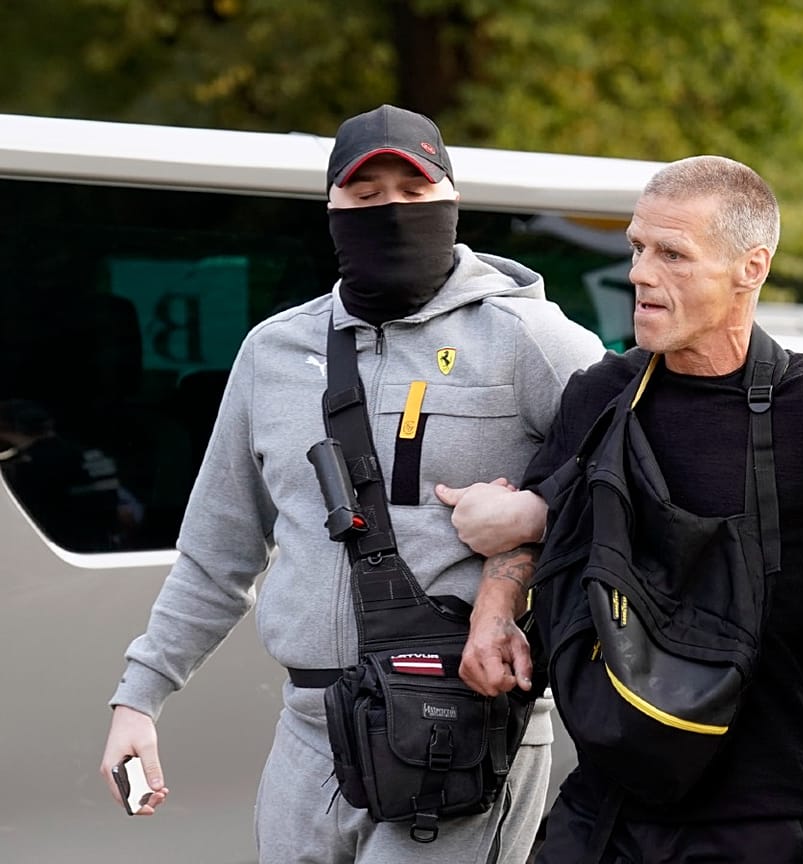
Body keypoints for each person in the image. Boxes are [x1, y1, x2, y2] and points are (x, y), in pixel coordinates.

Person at [99, 104, 607, 863]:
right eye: (367, 199)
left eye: (413, 191)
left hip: (460, 730)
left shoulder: (536, 341)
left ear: (451, 203)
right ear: (332, 212)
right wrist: (139, 698)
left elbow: (627, 489)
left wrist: (532, 515)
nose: (392, 212)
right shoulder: (273, 353)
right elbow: (217, 552)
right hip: (311, 734)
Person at [437, 154, 803, 863]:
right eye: (636, 248)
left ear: (749, 269)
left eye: (672, 255)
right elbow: (541, 521)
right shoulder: (601, 394)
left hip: (762, 813)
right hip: (607, 798)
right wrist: (495, 614)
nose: (639, 273)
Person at [0, 397, 133, 551]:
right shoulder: (96, 455)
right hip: (101, 548)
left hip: (55, 548)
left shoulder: (31, 466)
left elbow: (24, 519)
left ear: (4, 428)